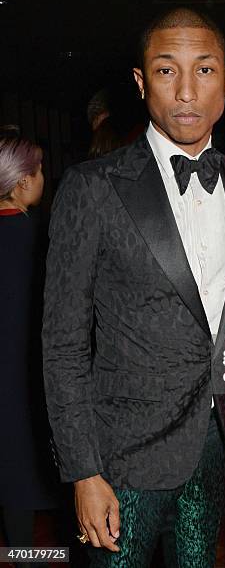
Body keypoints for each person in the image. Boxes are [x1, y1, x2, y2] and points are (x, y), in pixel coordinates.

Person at [42, 7, 225, 568]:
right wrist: (83, 470)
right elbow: (62, 344)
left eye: (204, 70)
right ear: (141, 83)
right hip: (122, 458)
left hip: (216, 443)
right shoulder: (91, 188)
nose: (187, 90)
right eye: (167, 71)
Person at [0, 136, 56, 566]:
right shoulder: (38, 236)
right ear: (21, 184)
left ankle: (20, 553)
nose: (43, 178)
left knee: (11, 469)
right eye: (37, 171)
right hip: (32, 370)